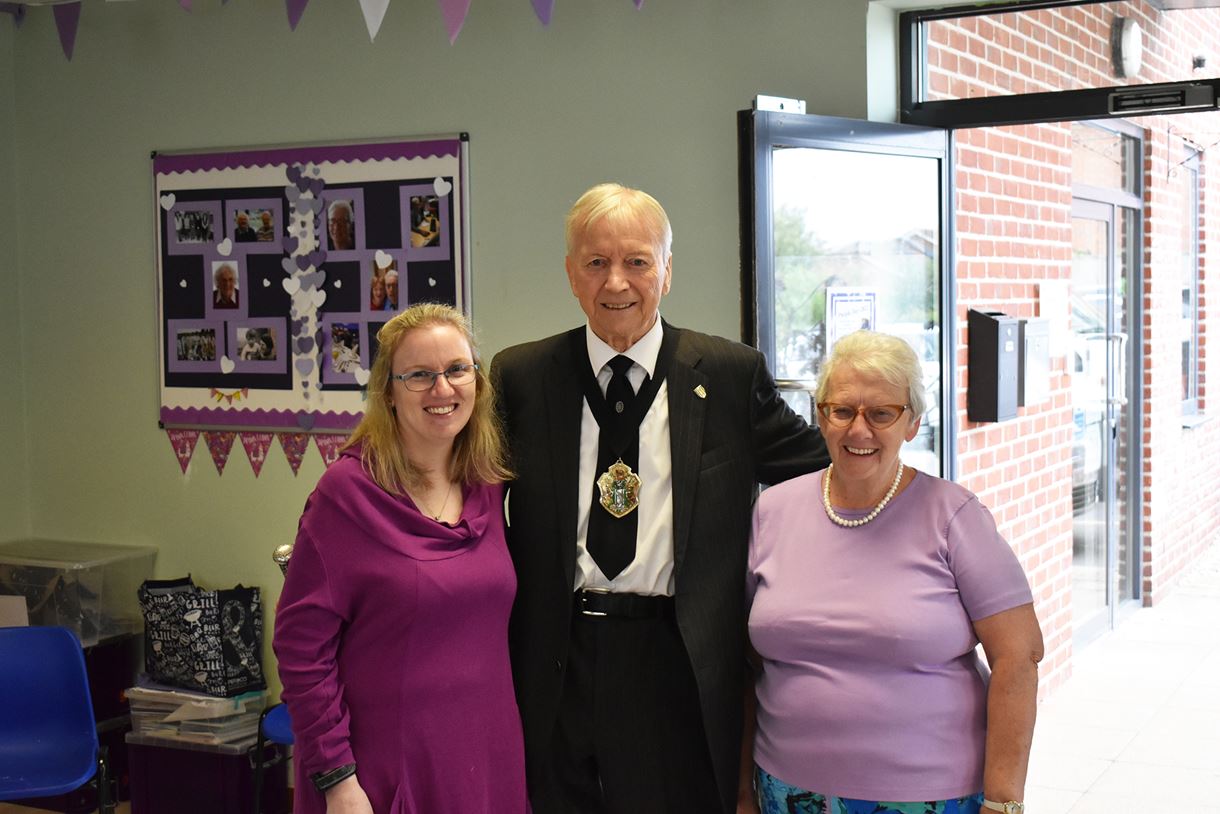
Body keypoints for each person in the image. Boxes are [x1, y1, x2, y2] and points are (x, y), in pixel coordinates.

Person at [491, 183, 828, 814]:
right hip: (555, 655)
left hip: (677, 658)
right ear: (570, 274)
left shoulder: (729, 375)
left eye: (637, 261)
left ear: (667, 272)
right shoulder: (521, 377)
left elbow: (825, 468)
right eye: (596, 262)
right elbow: (457, 481)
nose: (616, 281)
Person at [742, 330, 1043, 814]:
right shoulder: (772, 510)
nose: (858, 430)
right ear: (820, 416)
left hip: (926, 798)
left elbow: (1018, 656)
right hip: (786, 792)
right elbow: (747, 663)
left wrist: (1004, 800)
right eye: (842, 410)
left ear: (912, 422)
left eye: (881, 413)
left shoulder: (953, 516)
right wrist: (743, 794)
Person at [274, 303, 527, 814]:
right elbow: (302, 650)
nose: (443, 389)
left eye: (458, 369)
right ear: (388, 392)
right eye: (419, 375)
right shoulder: (345, 496)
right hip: (383, 769)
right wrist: (337, 778)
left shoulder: (488, 483)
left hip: (486, 756)